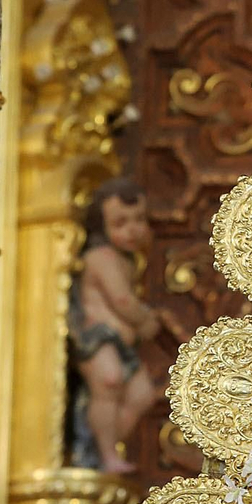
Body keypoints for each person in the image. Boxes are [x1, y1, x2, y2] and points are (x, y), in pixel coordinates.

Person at [71, 177, 163, 474]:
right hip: (98, 339)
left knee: (142, 394)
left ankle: (97, 449)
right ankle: (105, 454)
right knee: (109, 380)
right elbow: (122, 301)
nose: (132, 229)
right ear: (101, 225)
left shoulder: (125, 259)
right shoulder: (102, 257)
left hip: (121, 344)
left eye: (139, 219)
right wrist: (145, 321)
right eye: (120, 222)